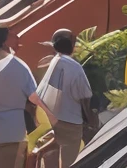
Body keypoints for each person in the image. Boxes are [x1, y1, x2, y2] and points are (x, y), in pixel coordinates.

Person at [0, 26, 39, 168]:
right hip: (16, 132)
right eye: (12, 35)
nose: (18, 38)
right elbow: (34, 97)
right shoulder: (18, 66)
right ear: (5, 43)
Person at [39, 29, 94, 164]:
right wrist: (91, 120)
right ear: (70, 44)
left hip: (51, 118)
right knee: (71, 160)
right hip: (69, 122)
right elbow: (85, 98)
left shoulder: (55, 61)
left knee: (57, 155)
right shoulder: (74, 67)